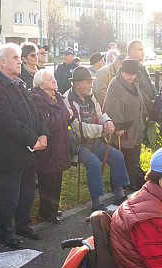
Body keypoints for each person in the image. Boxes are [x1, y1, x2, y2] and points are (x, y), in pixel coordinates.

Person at [0, 43, 50, 248]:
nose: (20, 60)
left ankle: (23, 225)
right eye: (15, 57)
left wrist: (43, 133)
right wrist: (33, 139)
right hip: (11, 152)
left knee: (27, 192)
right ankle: (5, 232)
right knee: (9, 195)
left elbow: (34, 112)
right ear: (2, 61)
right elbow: (7, 122)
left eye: (19, 57)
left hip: (29, 150)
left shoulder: (18, 83)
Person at [63, 66, 130, 211]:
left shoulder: (91, 96)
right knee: (93, 163)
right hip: (78, 145)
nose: (91, 85)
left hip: (96, 141)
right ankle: (96, 202)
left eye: (91, 81)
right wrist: (102, 130)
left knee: (118, 156)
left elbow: (100, 114)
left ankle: (119, 194)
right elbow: (78, 128)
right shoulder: (67, 100)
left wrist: (108, 122)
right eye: (87, 82)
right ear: (77, 84)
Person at [30, 69, 72, 224]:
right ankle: (47, 212)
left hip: (60, 144)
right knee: (47, 180)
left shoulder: (58, 97)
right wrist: (65, 113)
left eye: (53, 77)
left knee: (57, 179)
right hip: (49, 147)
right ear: (41, 84)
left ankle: (53, 208)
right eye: (49, 79)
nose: (54, 81)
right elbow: (47, 124)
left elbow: (62, 118)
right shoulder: (37, 98)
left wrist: (67, 115)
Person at [103, 59, 145, 191]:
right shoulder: (115, 84)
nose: (131, 77)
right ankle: (119, 186)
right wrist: (118, 126)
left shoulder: (134, 83)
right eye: (128, 74)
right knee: (122, 157)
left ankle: (130, 182)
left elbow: (139, 101)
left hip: (135, 127)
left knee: (132, 158)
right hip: (122, 130)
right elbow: (111, 106)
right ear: (122, 71)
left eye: (134, 74)